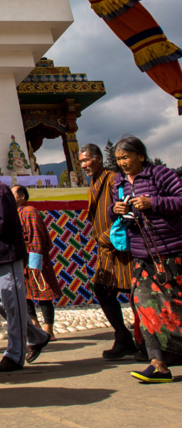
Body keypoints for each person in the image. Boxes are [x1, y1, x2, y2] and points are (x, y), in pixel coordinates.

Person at [109, 136, 182, 383]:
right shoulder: (118, 182)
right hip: (142, 255)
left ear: (141, 155)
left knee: (176, 307)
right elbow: (113, 210)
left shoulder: (161, 175)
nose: (122, 163)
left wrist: (154, 202)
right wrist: (115, 210)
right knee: (144, 304)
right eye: (118, 159)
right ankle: (158, 364)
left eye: (126, 157)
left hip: (171, 251)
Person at [0, 155, 50, 371]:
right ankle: (37, 335)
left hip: (5, 253)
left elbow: (6, 221)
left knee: (13, 302)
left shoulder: (1, 191)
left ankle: (15, 354)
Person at [79, 143, 139, 360]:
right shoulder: (95, 183)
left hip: (121, 246)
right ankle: (123, 337)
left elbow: (123, 210)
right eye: (81, 162)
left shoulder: (113, 179)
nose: (84, 165)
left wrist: (106, 237)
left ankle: (144, 342)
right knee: (102, 289)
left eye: (86, 160)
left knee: (135, 293)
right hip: (106, 249)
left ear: (98, 158)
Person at [12, 185, 63, 340]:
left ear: (22, 196)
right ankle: (35, 325)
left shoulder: (29, 211)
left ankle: (49, 329)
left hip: (34, 257)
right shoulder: (15, 213)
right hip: (21, 259)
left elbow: (36, 236)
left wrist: (35, 261)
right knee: (25, 293)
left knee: (43, 293)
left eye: (12, 194)